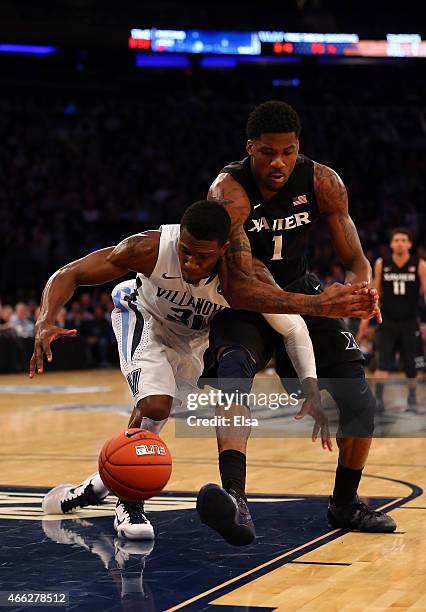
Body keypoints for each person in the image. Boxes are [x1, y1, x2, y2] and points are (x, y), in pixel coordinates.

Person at [33, 200, 376, 540]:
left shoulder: (243, 276)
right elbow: (71, 273)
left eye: (202, 256)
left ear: (224, 249)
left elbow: (294, 328)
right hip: (145, 318)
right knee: (155, 404)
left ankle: (96, 487)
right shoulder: (148, 248)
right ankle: (129, 503)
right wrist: (46, 320)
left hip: (194, 341)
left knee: (157, 419)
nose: (190, 262)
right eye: (185, 251)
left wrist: (311, 387)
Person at [196, 100, 396, 543]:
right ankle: (234, 500)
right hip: (244, 301)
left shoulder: (324, 182)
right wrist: (320, 305)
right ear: (250, 148)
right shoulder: (228, 191)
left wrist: (359, 292)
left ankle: (345, 503)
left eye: (288, 151)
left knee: (360, 401)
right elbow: (242, 285)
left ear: (298, 147)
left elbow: (356, 260)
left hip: (300, 292)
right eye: (268, 152)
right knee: (232, 374)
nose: (279, 162)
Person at [358, 228, 426, 413]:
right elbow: (375, 293)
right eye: (396, 239)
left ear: (410, 244)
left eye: (404, 240)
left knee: (412, 365)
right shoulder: (382, 263)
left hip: (410, 321)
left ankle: (411, 400)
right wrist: (365, 322)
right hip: (386, 322)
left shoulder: (420, 265)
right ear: (391, 243)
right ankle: (378, 400)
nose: (400, 243)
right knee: (383, 362)